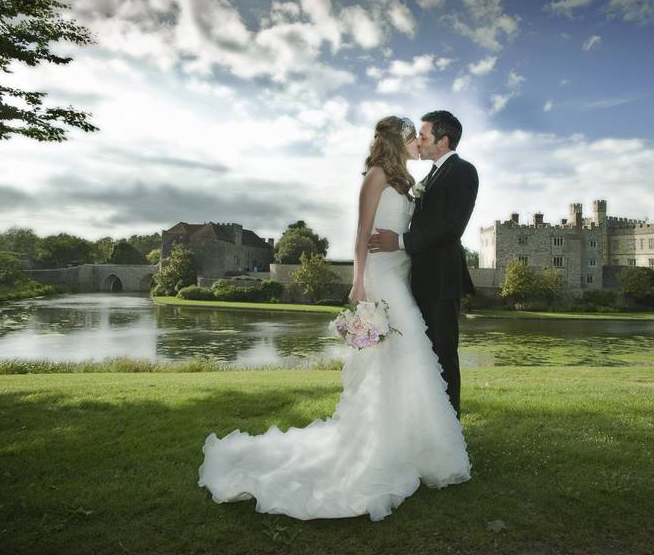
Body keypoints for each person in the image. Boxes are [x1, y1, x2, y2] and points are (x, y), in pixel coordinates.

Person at [198, 115, 471, 521]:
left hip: (403, 273)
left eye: (424, 137)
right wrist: (358, 282)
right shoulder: (376, 176)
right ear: (399, 141)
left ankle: (416, 441)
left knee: (412, 354)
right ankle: (386, 443)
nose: (419, 142)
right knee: (404, 349)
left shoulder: (407, 181)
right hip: (381, 276)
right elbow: (361, 233)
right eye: (415, 137)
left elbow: (433, 227)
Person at [368, 110, 479, 419]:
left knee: (443, 355)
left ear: (443, 141)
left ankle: (449, 428)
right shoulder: (428, 176)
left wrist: (400, 241)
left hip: (442, 280)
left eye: (425, 136)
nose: (419, 140)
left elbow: (451, 227)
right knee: (423, 357)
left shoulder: (463, 171)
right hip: (416, 278)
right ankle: (424, 422)